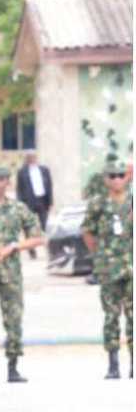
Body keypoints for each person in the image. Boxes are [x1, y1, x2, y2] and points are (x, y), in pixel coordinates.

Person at [0, 166, 44, 383]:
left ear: (8, 183)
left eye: (1, 179)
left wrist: (13, 247)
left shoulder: (18, 208)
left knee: (13, 321)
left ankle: (13, 368)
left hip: (10, 276)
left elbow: (38, 237)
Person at [81, 160, 133, 379]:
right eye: (112, 176)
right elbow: (88, 231)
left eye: (121, 175)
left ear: (127, 177)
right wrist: (100, 255)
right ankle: (113, 364)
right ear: (105, 179)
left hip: (131, 266)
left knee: (133, 316)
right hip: (108, 268)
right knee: (111, 316)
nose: (117, 179)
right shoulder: (98, 203)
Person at [15, 152, 53, 259]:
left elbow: (49, 186)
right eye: (30, 157)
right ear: (27, 159)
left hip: (42, 200)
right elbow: (19, 189)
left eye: (34, 157)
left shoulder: (44, 170)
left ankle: (47, 249)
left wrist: (50, 202)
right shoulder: (22, 172)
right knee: (28, 227)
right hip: (29, 202)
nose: (32, 159)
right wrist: (20, 204)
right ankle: (31, 250)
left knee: (43, 226)